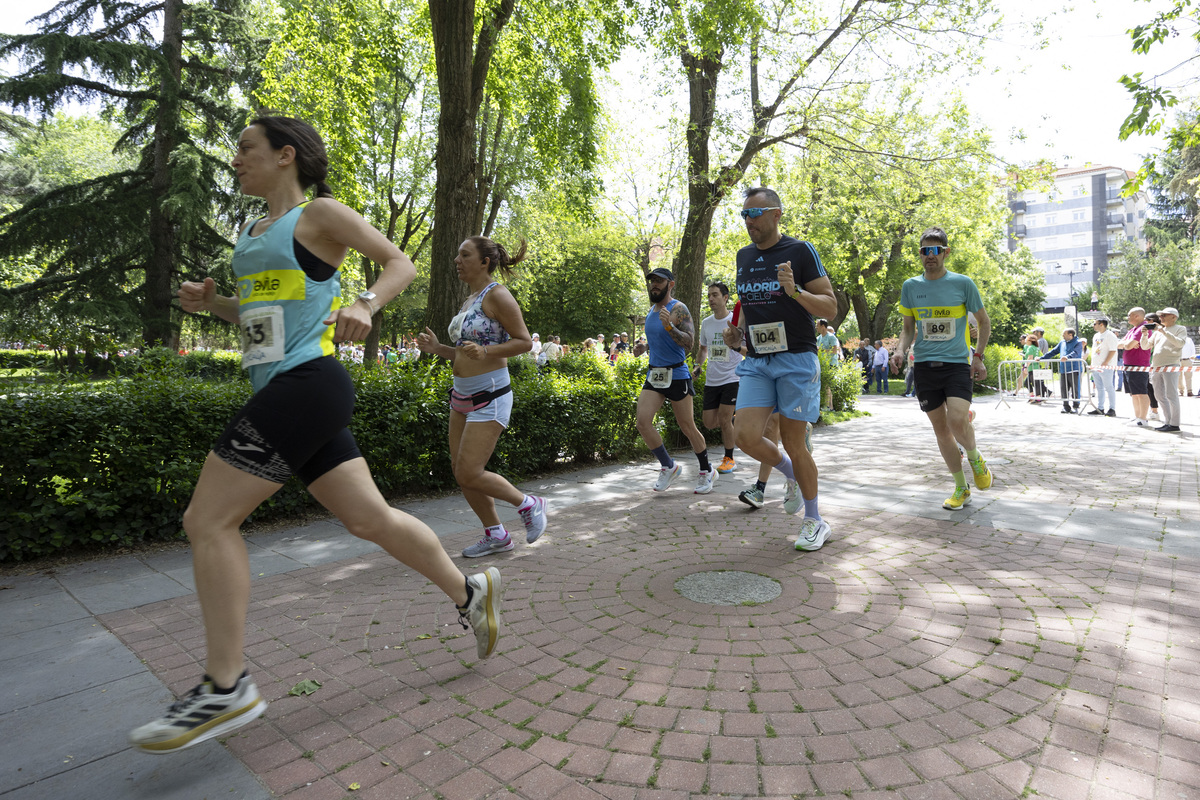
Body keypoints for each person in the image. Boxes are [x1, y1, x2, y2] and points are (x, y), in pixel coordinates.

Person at [129, 117, 503, 755]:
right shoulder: (252, 234)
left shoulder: (319, 214)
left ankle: (226, 685)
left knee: (207, 521)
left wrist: (365, 302)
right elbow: (260, 317)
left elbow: (399, 262)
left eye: (247, 150)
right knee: (371, 520)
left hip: (307, 384)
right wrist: (212, 304)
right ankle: (470, 592)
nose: (237, 160)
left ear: (285, 155)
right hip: (289, 390)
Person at [417, 239, 549, 558]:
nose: (456, 259)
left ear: (485, 262)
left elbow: (524, 342)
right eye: (458, 254)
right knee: (461, 471)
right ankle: (497, 535)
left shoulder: (498, 295)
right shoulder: (470, 300)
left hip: (490, 393)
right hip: (461, 395)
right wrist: (438, 350)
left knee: (469, 471)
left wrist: (487, 350)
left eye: (465, 255)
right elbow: (466, 354)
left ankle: (529, 504)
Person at [722, 187, 837, 550]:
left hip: (796, 359)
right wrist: (736, 335)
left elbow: (830, 308)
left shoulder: (800, 251)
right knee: (745, 435)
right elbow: (754, 307)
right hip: (757, 359)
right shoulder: (743, 256)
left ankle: (815, 520)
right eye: (743, 215)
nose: (748, 222)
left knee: (793, 441)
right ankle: (792, 476)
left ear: (776, 214)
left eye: (754, 214)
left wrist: (795, 292)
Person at [890, 226, 993, 511]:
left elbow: (984, 322)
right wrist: (900, 350)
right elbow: (908, 328)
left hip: (957, 364)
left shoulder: (963, 284)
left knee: (957, 420)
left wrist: (979, 356)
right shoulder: (911, 286)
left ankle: (975, 457)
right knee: (941, 430)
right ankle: (961, 487)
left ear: (946, 252)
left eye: (935, 250)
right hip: (924, 366)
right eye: (925, 251)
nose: (930, 256)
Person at [635, 267, 716, 493]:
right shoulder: (652, 311)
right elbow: (660, 340)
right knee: (642, 422)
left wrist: (670, 326)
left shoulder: (678, 308)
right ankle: (668, 466)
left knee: (687, 426)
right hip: (655, 374)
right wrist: (645, 347)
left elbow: (689, 343)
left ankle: (706, 470)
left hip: (677, 374)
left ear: (670, 284)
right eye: (652, 281)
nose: (654, 285)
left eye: (659, 281)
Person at [698, 281, 742, 474]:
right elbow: (703, 348)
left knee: (724, 419)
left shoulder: (735, 320)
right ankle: (734, 421)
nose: (711, 299)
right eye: (709, 295)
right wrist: (697, 365)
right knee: (709, 422)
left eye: (715, 295)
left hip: (733, 377)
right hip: (712, 379)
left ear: (725, 298)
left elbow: (744, 343)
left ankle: (729, 458)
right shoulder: (706, 323)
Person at [1149, 307, 1186, 432]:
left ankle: (1174, 424)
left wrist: (1164, 332)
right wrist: (1144, 335)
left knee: (1171, 394)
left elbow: (1180, 343)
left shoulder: (1180, 329)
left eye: (1164, 315)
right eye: (1161, 315)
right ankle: (1168, 421)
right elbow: (1145, 346)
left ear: (1174, 317)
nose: (1161, 317)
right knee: (1158, 395)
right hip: (1156, 366)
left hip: (1171, 365)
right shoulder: (1159, 331)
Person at [1118, 307, 1153, 427]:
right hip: (1129, 365)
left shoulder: (1143, 328)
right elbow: (1120, 344)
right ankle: (1137, 416)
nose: (1127, 318)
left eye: (1129, 315)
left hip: (1138, 365)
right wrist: (1126, 344)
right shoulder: (1133, 329)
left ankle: (1143, 419)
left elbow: (1127, 345)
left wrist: (1127, 344)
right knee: (1134, 393)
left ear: (1136, 316)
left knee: (1141, 392)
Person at [1040, 328, 1084, 414]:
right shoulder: (1062, 343)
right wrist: (1041, 358)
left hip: (1074, 369)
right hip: (1063, 369)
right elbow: (1053, 352)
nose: (1062, 335)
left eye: (1064, 334)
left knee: (1075, 388)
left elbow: (1076, 352)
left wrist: (1068, 357)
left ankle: (1076, 406)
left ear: (1070, 335)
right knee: (1064, 389)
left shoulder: (1078, 343)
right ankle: (1066, 406)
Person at [1087, 318, 1119, 417]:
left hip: (1106, 366)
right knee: (1099, 388)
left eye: (1095, 323)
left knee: (1109, 387)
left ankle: (1112, 408)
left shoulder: (1110, 335)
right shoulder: (1096, 335)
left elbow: (1113, 350)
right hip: (1096, 365)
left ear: (1101, 324)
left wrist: (1105, 362)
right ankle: (1100, 408)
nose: (1093, 325)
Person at [816, 319, 839, 410]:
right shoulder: (818, 338)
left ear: (823, 326)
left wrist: (821, 350)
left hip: (831, 364)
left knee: (828, 385)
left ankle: (829, 406)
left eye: (817, 325)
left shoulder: (831, 337)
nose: (816, 327)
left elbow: (834, 351)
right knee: (823, 385)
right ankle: (827, 406)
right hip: (822, 364)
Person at [1180, 330, 1196, 397]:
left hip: (1187, 360)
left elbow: (1193, 349)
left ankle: (1189, 391)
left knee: (1189, 376)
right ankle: (1181, 390)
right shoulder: (1176, 340)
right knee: (1178, 377)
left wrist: (1192, 360)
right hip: (1178, 360)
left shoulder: (1189, 340)